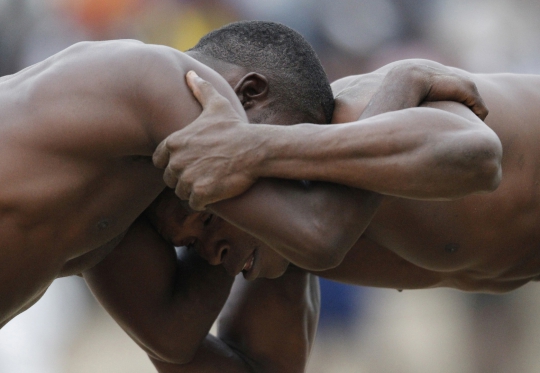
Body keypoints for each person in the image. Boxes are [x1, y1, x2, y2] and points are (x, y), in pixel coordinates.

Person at [0, 19, 485, 372]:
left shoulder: (117, 197)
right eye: (270, 172)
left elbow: (172, 335)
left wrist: (232, 236)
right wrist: (401, 85)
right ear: (249, 92)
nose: (262, 167)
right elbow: (320, 235)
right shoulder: (158, 77)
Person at [155, 54, 540, 296]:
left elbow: (480, 158)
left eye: (208, 219)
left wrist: (257, 147)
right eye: (189, 245)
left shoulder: (357, 111)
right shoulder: (296, 241)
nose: (209, 252)